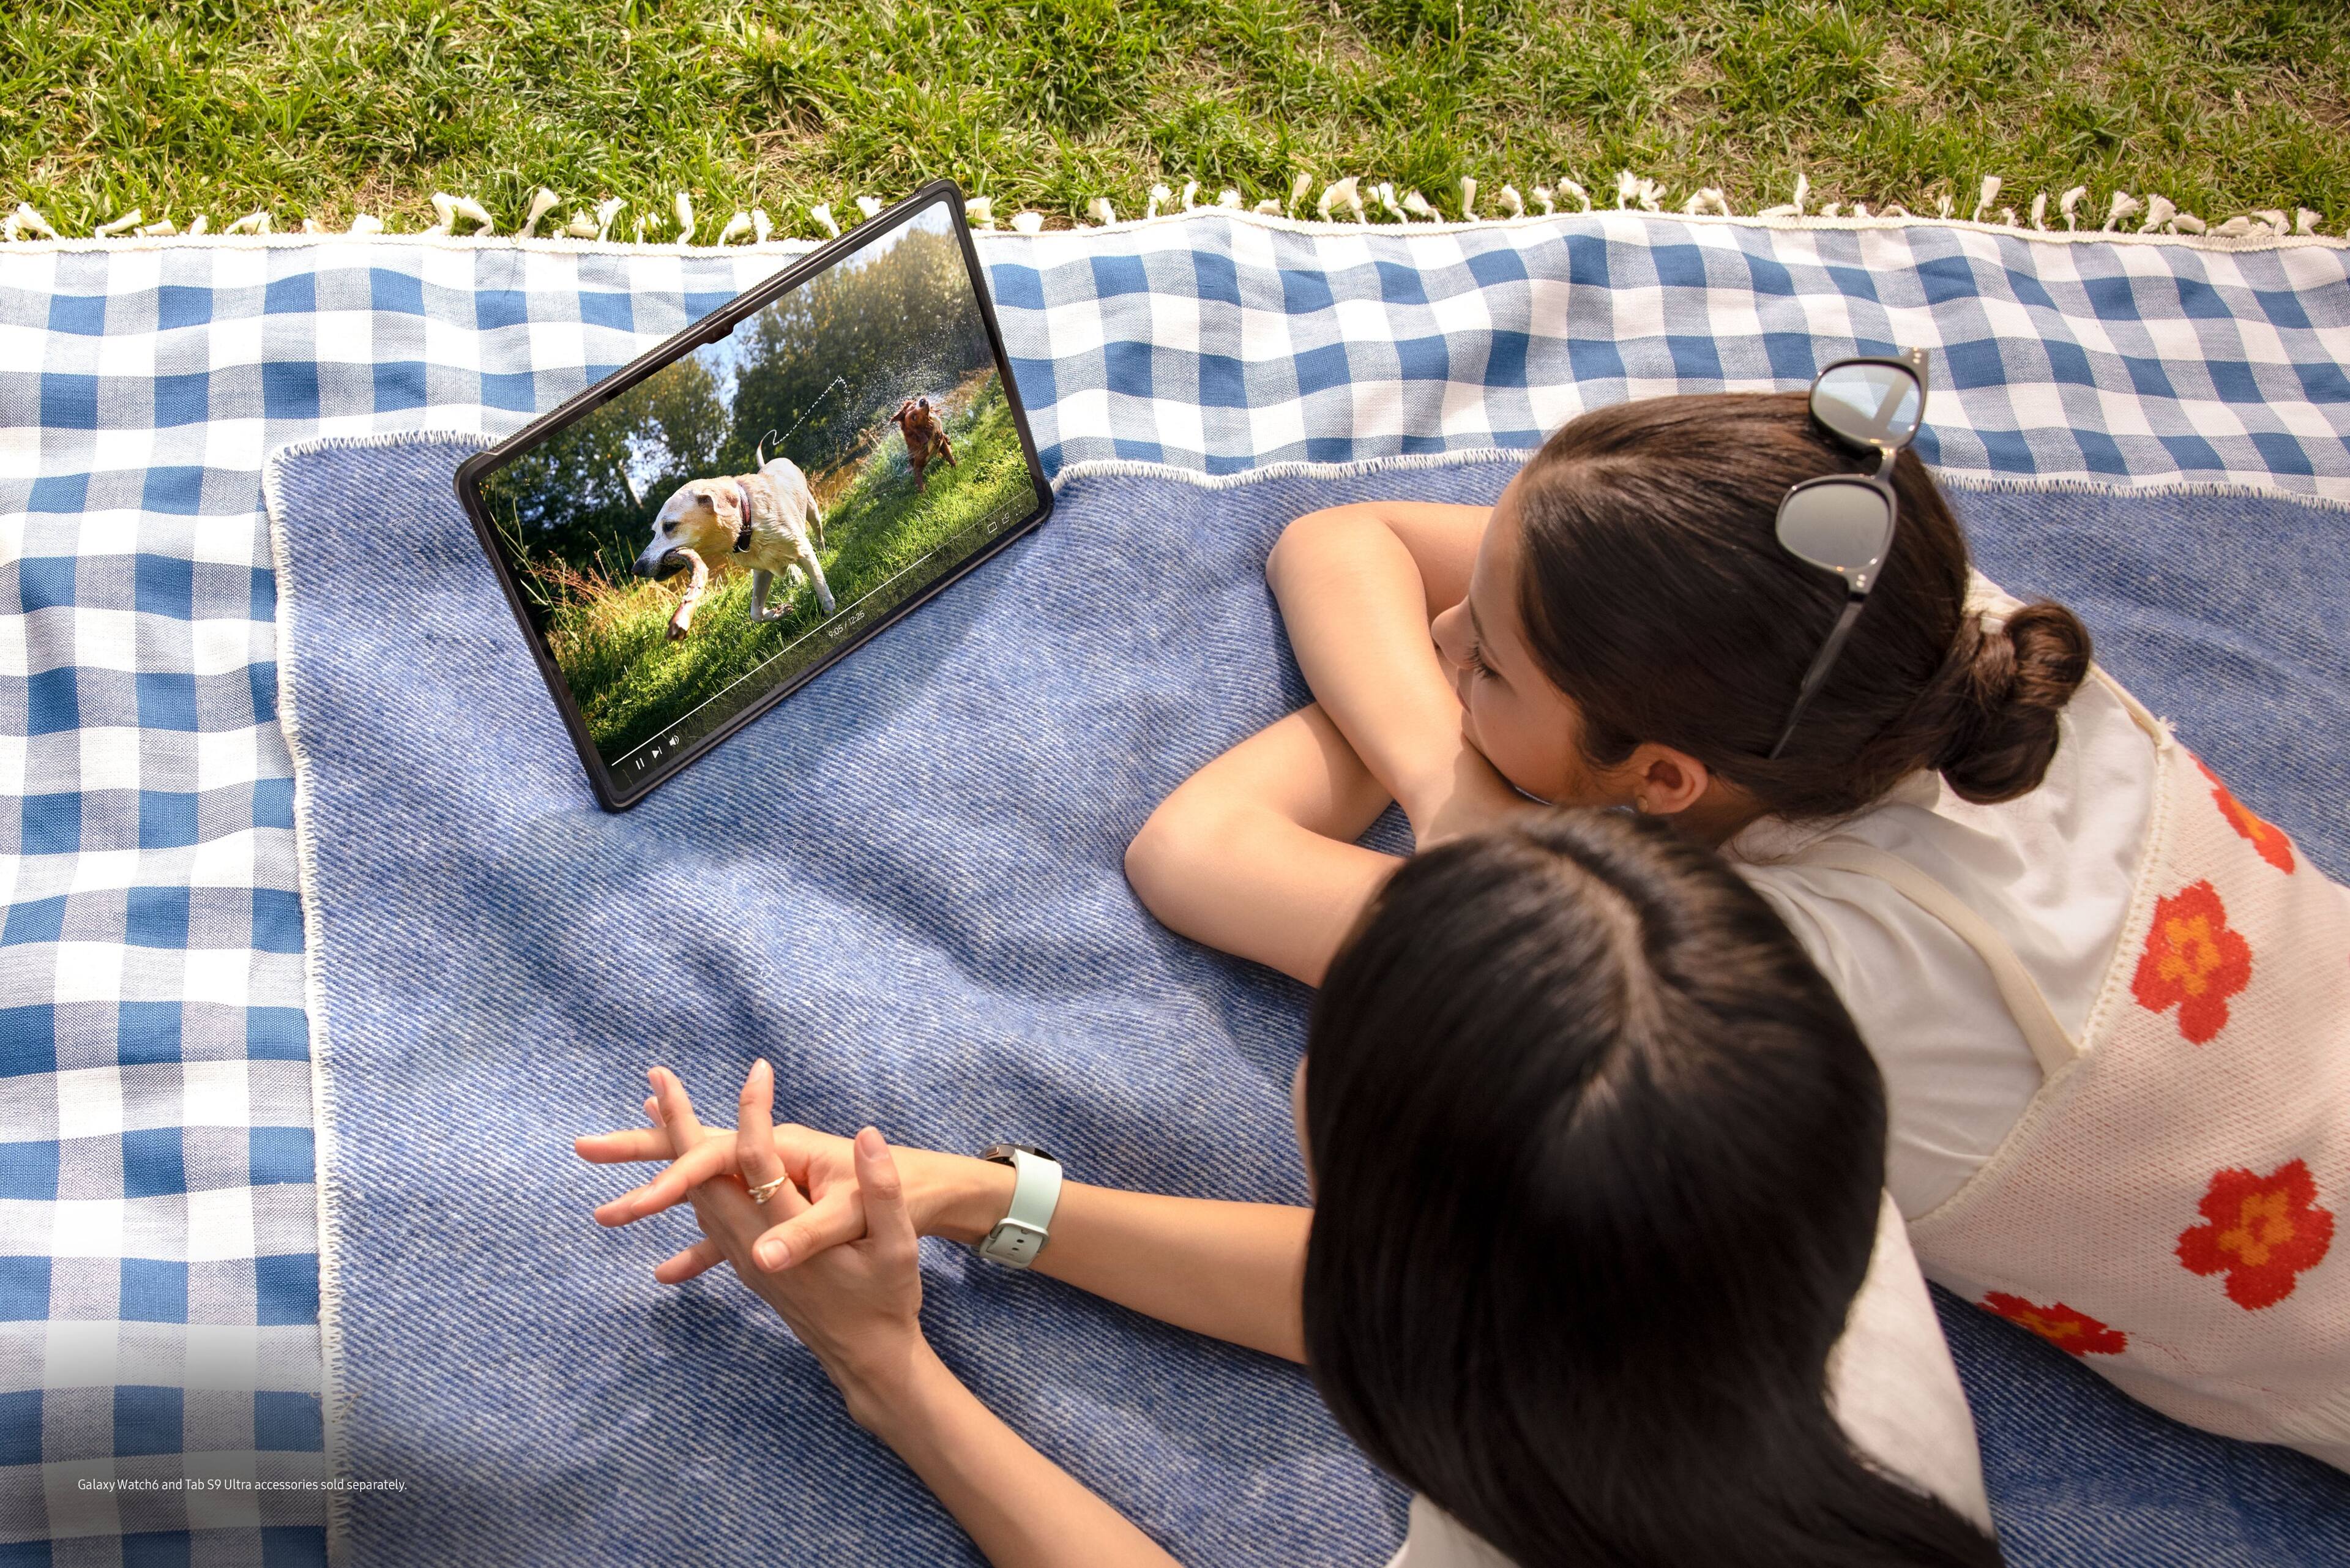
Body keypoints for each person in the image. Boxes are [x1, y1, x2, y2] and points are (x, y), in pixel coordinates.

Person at [1121, 376, 2350, 1466]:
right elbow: (1340, 541)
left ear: (1664, 780)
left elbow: (1198, 854)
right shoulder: (1905, 624)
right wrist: (1471, 772)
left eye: (1482, 668)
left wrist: (1471, 812)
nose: (1440, 649)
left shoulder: (1743, 974)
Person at [580, 812, 2001, 1567]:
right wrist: (976, 1197)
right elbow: (1404, 1290)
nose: (1313, 1049)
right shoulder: (1783, 1170)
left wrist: (885, 1368)